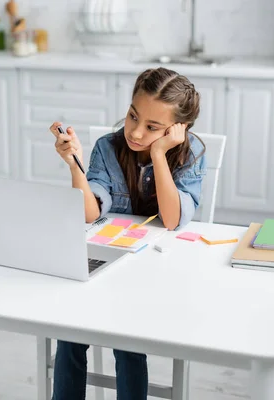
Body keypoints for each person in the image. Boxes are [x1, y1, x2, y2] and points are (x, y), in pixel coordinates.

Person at [49, 67, 207, 400]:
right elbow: (88, 212)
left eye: (152, 127)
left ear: (178, 130)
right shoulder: (108, 147)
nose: (135, 131)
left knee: (128, 340)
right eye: (133, 116)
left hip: (158, 273)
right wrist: (75, 164)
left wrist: (158, 154)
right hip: (108, 259)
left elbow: (172, 219)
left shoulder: (189, 156)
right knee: (69, 330)